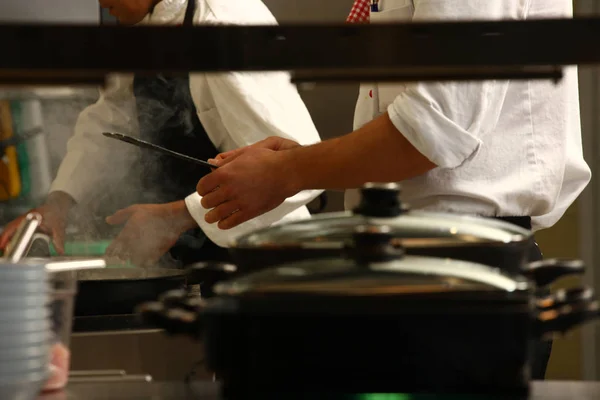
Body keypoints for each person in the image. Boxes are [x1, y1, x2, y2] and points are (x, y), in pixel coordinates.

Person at [194, 0, 591, 379]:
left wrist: (286, 172)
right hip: (412, 266)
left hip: (464, 279)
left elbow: (433, 130)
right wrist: (298, 162)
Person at [0, 0, 322, 267]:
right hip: (195, 262)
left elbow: (299, 166)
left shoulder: (223, 25)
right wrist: (58, 204)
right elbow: (109, 119)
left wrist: (175, 217)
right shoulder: (143, 27)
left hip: (263, 261)